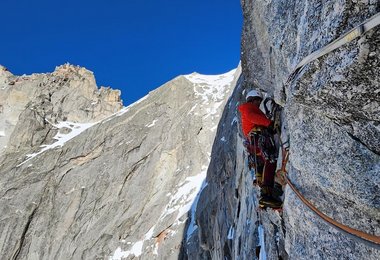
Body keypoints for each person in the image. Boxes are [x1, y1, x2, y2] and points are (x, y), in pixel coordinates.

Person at [238, 89, 282, 209]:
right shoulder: (248, 108)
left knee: (263, 164)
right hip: (258, 138)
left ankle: (267, 195)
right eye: (258, 101)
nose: (259, 104)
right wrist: (269, 123)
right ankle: (266, 195)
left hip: (254, 142)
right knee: (270, 159)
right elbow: (253, 118)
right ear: (252, 100)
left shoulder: (249, 109)